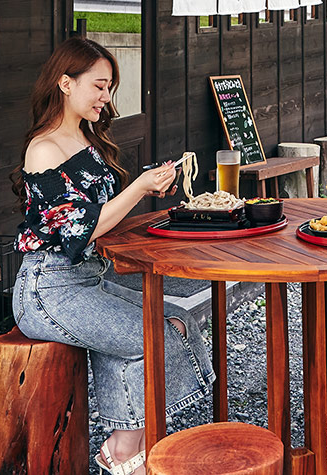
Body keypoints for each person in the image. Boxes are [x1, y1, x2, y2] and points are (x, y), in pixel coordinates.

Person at [12, 37, 214, 475]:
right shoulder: (44, 149)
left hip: (91, 279)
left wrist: (151, 187)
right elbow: (79, 229)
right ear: (66, 83)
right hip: (49, 290)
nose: (107, 98)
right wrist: (138, 188)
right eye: (99, 87)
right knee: (149, 336)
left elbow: (104, 214)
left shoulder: (85, 137)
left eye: (109, 88)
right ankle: (125, 451)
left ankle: (130, 442)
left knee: (178, 321)